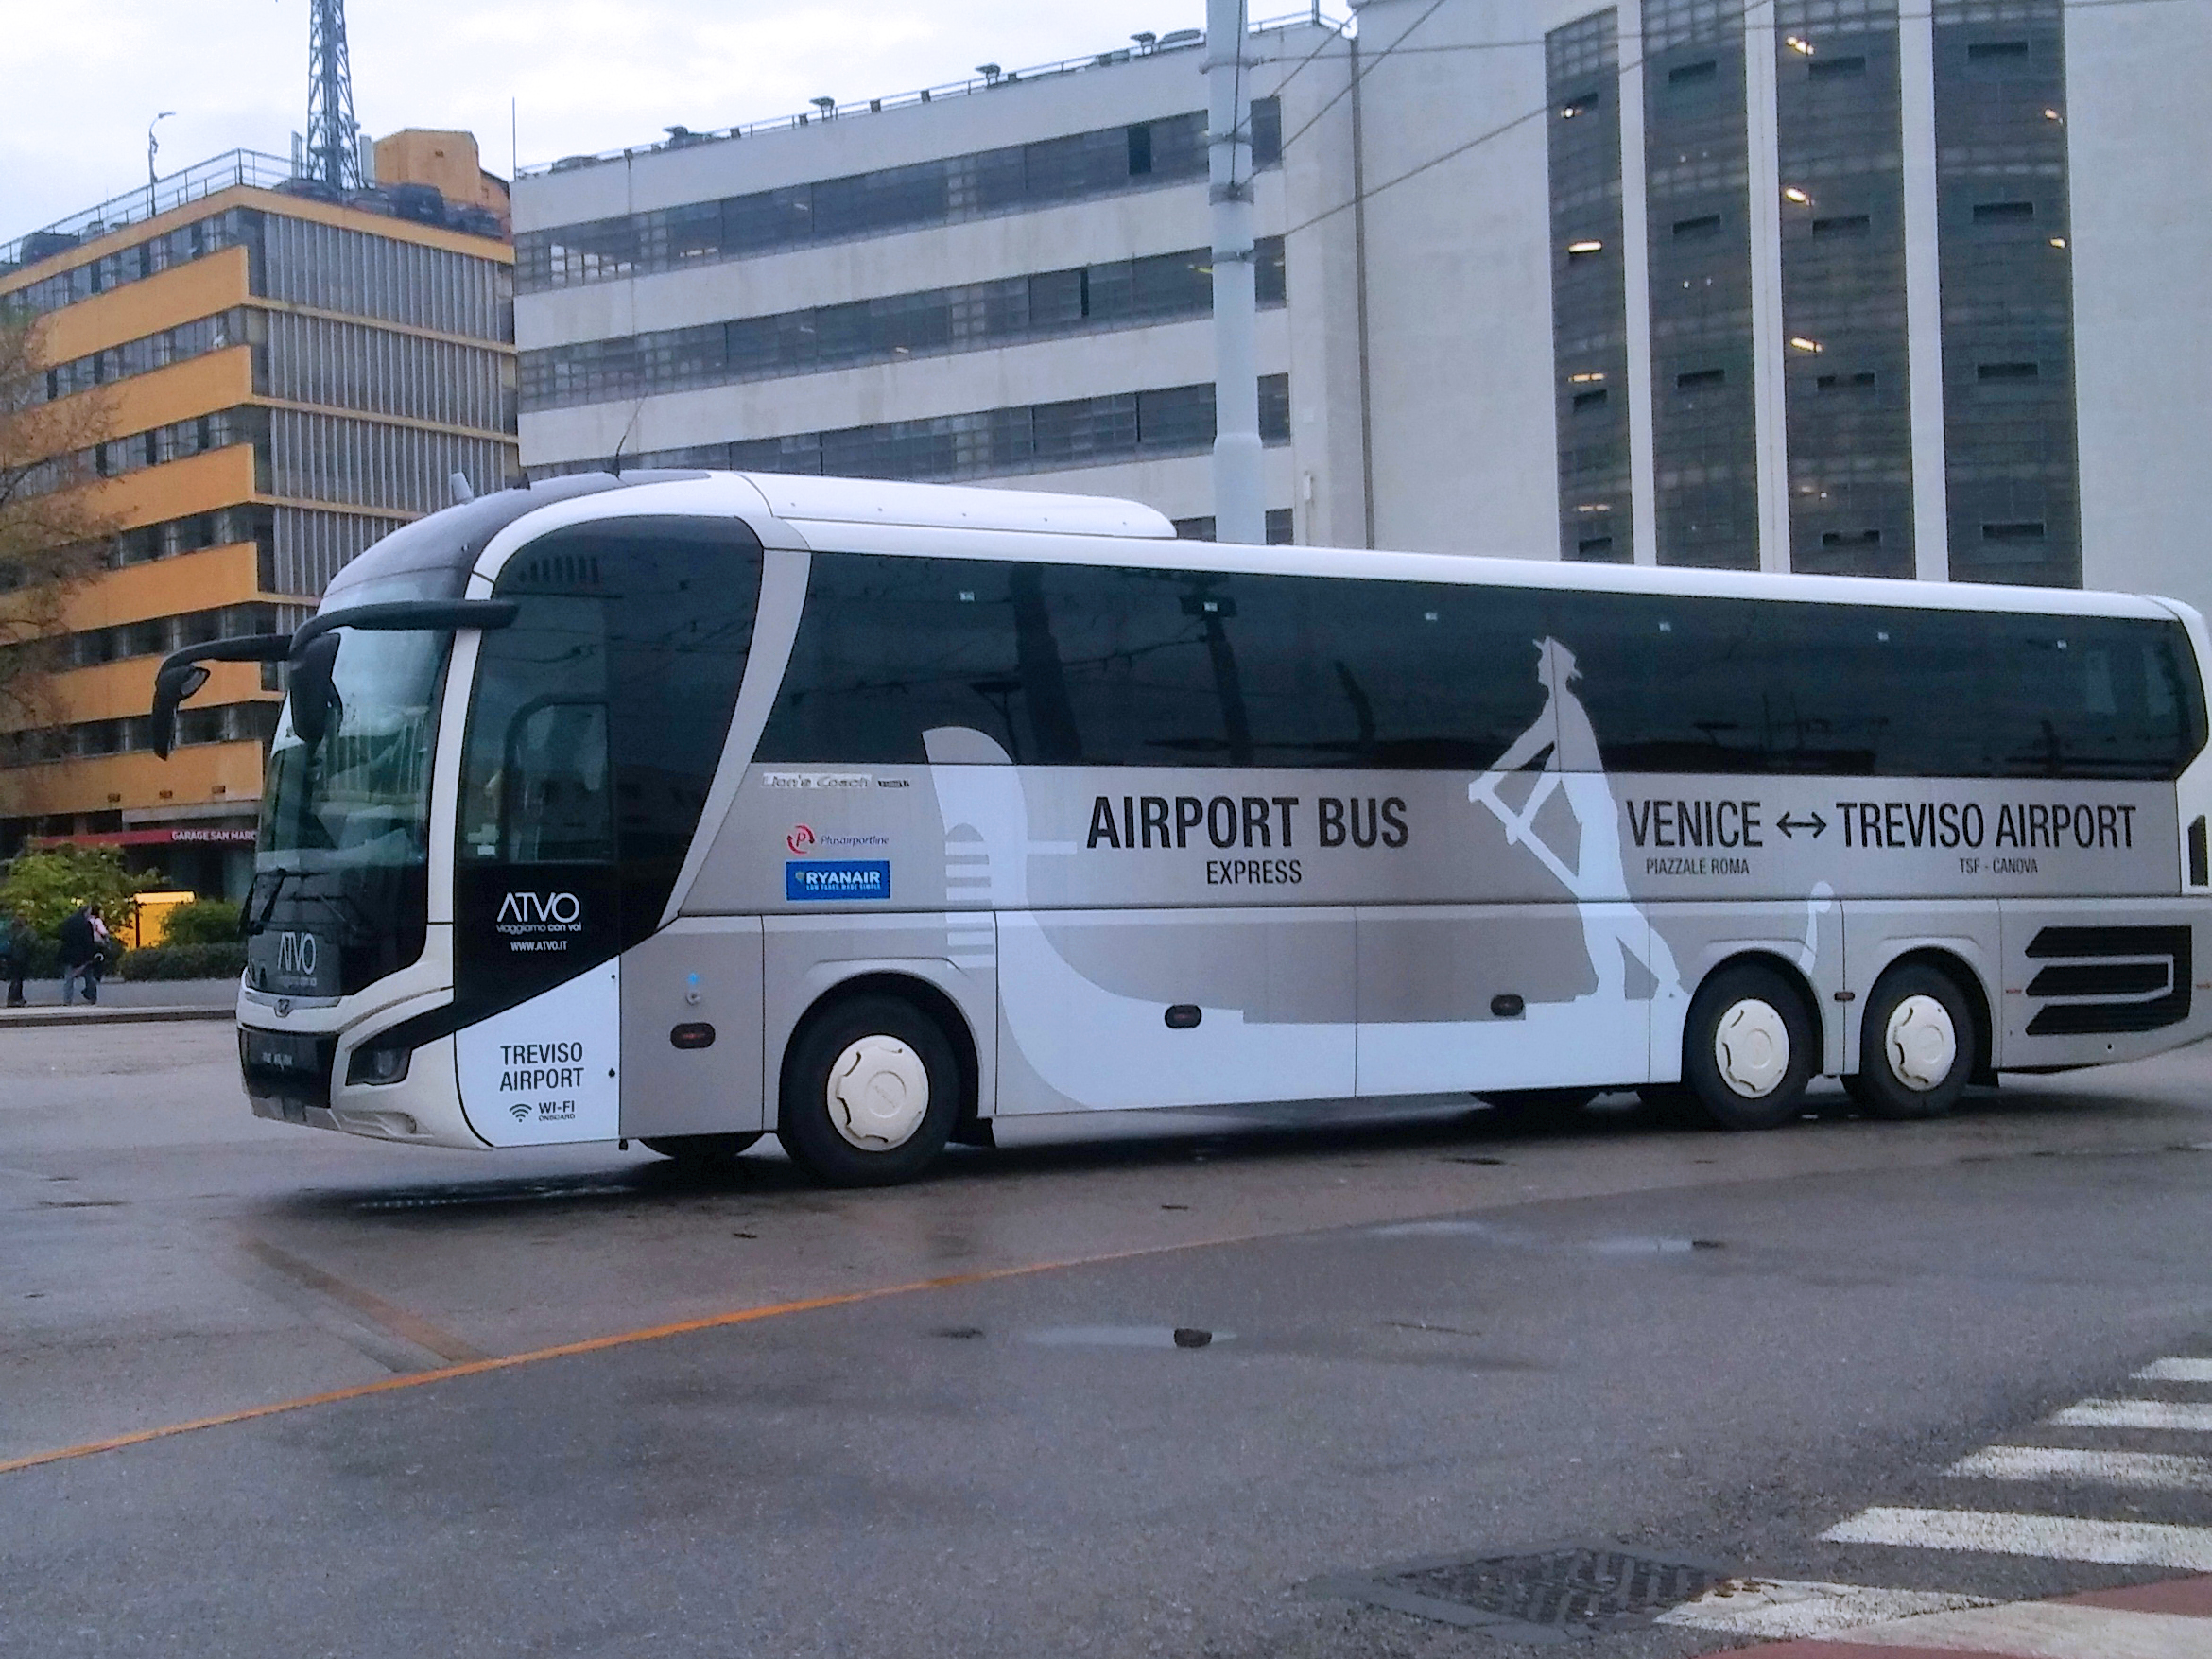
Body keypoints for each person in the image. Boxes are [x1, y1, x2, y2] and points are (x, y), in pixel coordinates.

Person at [57, 904, 98, 1006]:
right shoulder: (86, 924)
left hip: (69, 953)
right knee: (89, 977)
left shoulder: (68, 921)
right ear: (86, 912)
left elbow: (62, 935)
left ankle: (67, 1000)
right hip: (83, 955)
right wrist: (92, 954)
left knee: (69, 978)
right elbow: (89, 941)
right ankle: (91, 997)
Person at [2, 911, 29, 1008]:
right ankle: (14, 998)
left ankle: (15, 998)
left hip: (10, 956)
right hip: (20, 957)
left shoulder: (9, 930)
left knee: (15, 977)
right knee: (18, 978)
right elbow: (30, 942)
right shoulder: (23, 932)